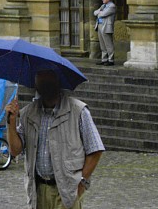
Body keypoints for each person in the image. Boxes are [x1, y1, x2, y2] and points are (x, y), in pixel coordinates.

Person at [6, 70, 105, 209]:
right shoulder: (28, 113)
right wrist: (11, 122)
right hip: (38, 190)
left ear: (57, 83)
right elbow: (15, 150)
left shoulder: (78, 111)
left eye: (48, 82)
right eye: (41, 82)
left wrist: (82, 182)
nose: (44, 87)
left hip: (67, 190)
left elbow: (95, 150)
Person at [93, 0, 117, 66]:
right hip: (100, 25)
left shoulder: (112, 6)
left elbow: (102, 14)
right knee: (102, 44)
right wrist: (99, 12)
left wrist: (99, 12)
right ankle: (104, 59)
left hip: (106, 27)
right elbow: (94, 12)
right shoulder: (103, 6)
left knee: (108, 44)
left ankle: (111, 60)